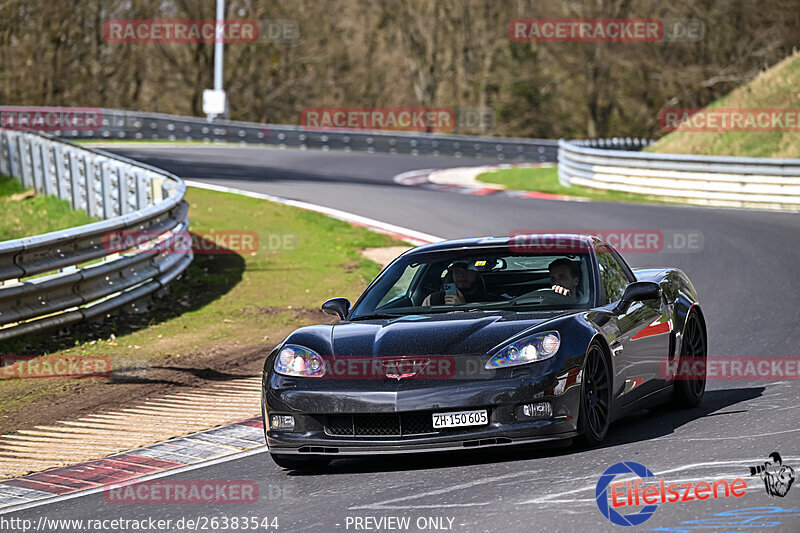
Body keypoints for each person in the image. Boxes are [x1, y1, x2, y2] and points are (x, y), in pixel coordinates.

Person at [423, 261, 500, 306]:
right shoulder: (433, 300)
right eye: (457, 271)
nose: (461, 275)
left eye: (468, 271)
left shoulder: (494, 302)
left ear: (478, 274)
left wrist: (462, 307)